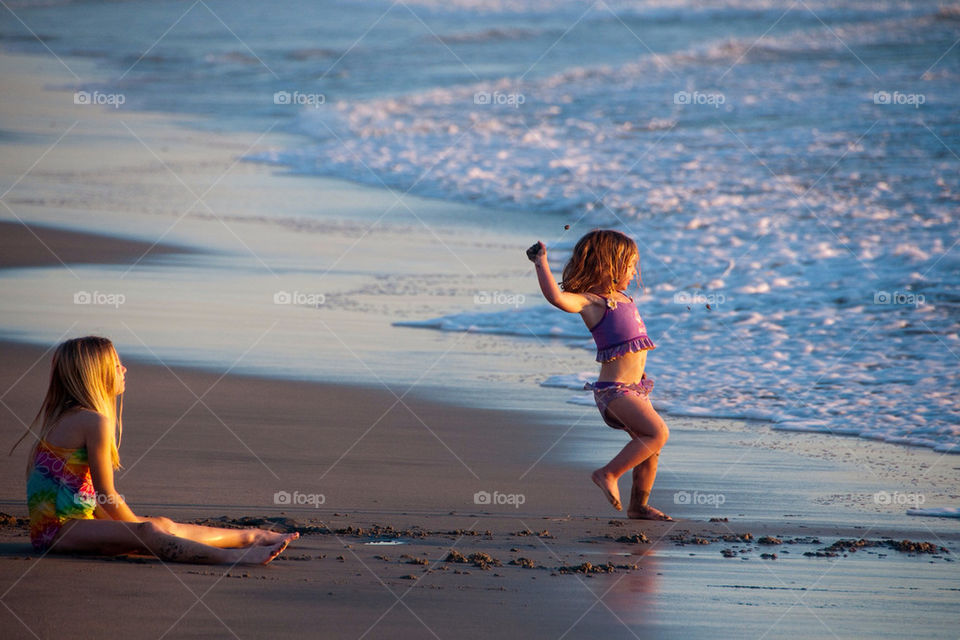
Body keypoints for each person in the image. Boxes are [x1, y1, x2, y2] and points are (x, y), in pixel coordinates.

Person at [10, 336, 297, 564]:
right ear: (96, 374)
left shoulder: (72, 417)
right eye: (117, 364)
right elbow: (104, 495)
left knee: (163, 524)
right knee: (150, 531)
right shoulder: (92, 421)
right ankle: (232, 557)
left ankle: (252, 537)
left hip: (76, 522)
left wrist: (143, 529)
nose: (124, 369)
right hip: (59, 531)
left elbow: (83, 496)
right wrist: (139, 531)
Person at [528, 230, 672, 520]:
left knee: (649, 448)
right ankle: (608, 473)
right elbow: (557, 298)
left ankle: (638, 506)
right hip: (614, 392)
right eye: (630, 265)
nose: (634, 271)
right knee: (657, 434)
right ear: (609, 264)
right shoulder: (592, 302)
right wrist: (541, 262)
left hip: (636, 390)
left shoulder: (624, 299)